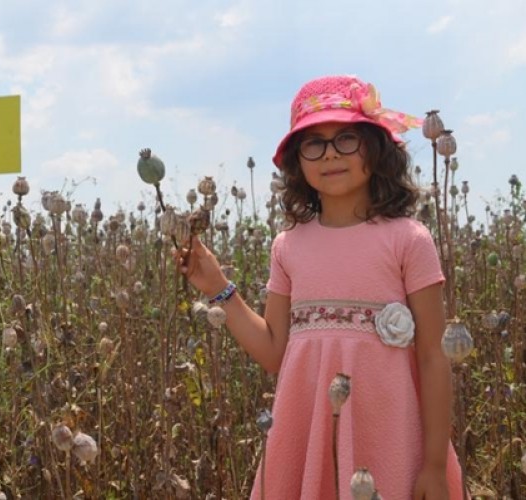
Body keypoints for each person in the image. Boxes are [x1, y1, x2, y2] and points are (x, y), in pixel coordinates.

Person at [178, 75, 465, 499]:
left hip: (390, 434)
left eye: (346, 138)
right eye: (314, 143)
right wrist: (219, 288)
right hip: (309, 436)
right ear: (298, 160)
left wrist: (436, 465)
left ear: (375, 147)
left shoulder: (409, 239)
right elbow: (276, 351)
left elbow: (432, 359)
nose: (330, 154)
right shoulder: (288, 246)